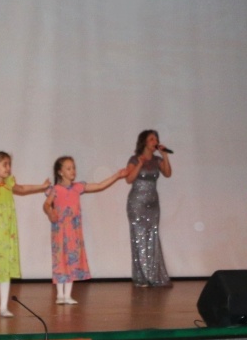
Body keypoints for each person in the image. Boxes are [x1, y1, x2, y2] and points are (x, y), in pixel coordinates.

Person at [0, 151, 49, 318]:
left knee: (5, 271)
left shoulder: (9, 184)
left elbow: (23, 188)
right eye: (4, 164)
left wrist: (41, 186)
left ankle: (4, 307)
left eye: (9, 164)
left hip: (7, 237)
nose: (8, 168)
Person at [43, 156, 127, 305]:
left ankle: (67, 295)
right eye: (68, 168)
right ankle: (60, 295)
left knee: (72, 260)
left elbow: (100, 185)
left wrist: (117, 175)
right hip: (60, 231)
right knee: (60, 260)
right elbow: (46, 204)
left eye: (73, 168)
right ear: (60, 172)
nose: (73, 171)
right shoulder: (55, 189)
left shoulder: (78, 187)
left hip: (74, 232)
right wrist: (50, 213)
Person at [125, 130, 172, 287]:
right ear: (144, 142)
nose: (155, 141)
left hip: (153, 204)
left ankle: (153, 275)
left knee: (152, 237)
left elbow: (168, 173)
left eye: (156, 139)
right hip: (137, 203)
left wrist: (164, 155)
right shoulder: (134, 159)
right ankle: (141, 277)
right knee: (139, 238)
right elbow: (129, 179)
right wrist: (139, 164)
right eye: (152, 139)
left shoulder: (157, 160)